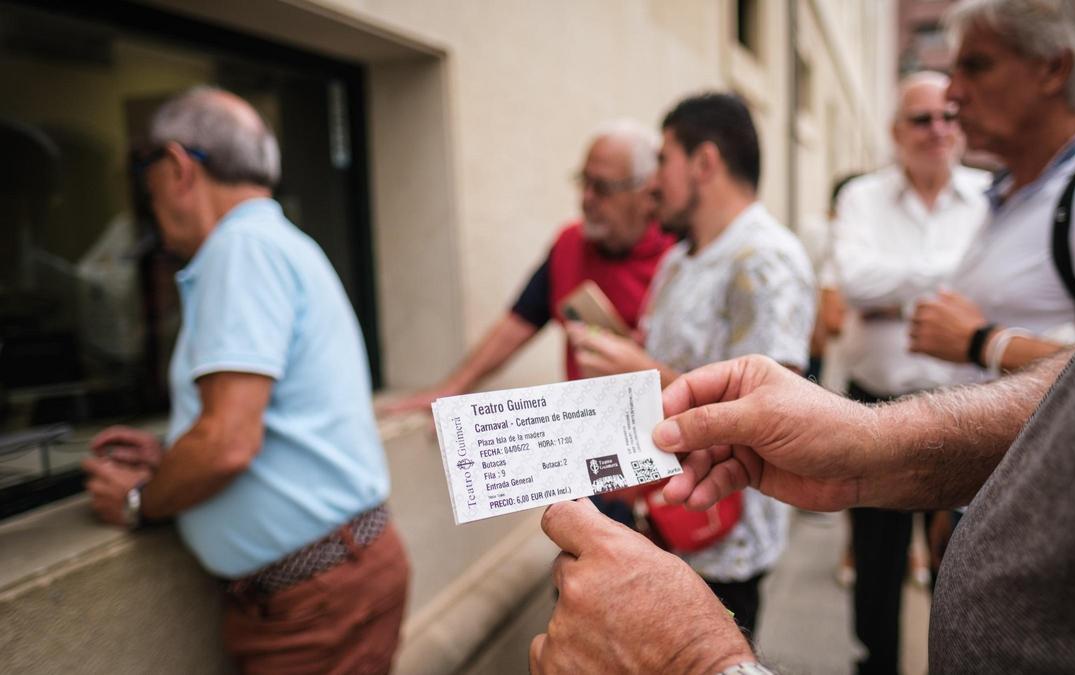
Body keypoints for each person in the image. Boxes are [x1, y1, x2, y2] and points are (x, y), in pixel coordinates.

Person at [529, 166, 1075, 673]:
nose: (955, 103)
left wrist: (697, 660)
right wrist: (877, 443)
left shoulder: (762, 255)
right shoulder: (682, 255)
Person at [81, 87, 408, 674]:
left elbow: (229, 441)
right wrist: (172, 454)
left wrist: (139, 502)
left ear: (178, 166)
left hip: (315, 599)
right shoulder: (276, 240)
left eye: (147, 180)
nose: (148, 202)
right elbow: (262, 421)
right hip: (335, 579)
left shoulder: (240, 248)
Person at [565, 92, 815, 639]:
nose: (653, 181)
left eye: (663, 160)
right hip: (662, 515)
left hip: (721, 537)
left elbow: (778, 415)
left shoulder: (766, 259)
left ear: (704, 163)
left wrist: (643, 372)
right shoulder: (681, 257)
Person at [909, 0, 1075, 377]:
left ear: (1054, 69)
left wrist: (981, 342)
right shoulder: (1018, 187)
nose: (952, 93)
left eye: (976, 66)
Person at [829, 71, 990, 675]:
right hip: (878, 406)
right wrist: (952, 284)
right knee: (876, 564)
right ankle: (877, 663)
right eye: (922, 119)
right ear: (897, 131)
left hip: (970, 410)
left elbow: (993, 289)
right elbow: (852, 279)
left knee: (965, 564)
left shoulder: (990, 195)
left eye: (949, 115)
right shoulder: (861, 198)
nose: (938, 130)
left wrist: (893, 293)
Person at [381, 120, 674, 413]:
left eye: (602, 187)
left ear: (647, 193)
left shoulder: (681, 255)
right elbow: (517, 324)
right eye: (583, 182)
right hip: (592, 425)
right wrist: (450, 390)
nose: (586, 198)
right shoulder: (569, 244)